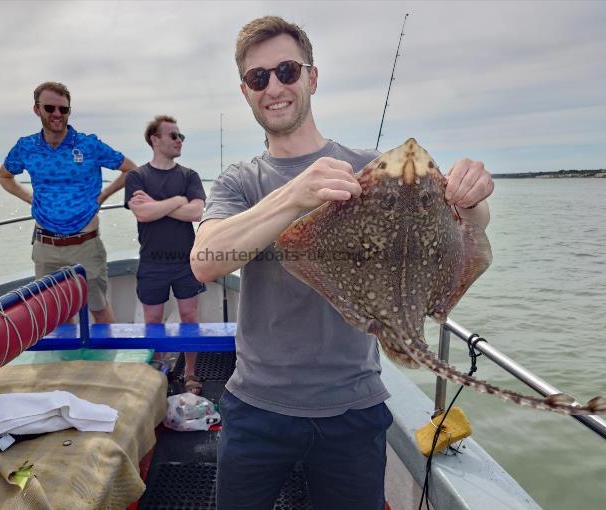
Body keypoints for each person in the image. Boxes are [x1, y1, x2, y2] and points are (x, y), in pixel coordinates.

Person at [190, 16, 494, 510]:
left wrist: (473, 198)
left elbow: (469, 223)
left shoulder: (370, 168)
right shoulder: (238, 181)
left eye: (287, 70)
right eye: (258, 77)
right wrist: (295, 194)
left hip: (354, 408)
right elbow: (206, 262)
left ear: (311, 77)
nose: (274, 86)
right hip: (256, 407)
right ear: (245, 91)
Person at [0, 82, 138, 323]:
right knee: (56, 314)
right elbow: (4, 175)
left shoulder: (88, 145)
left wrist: (103, 196)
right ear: (36, 109)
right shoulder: (26, 147)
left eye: (63, 109)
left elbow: (130, 170)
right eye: (50, 108)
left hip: (86, 244)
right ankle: (66, 362)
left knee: (98, 308)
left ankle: (114, 361)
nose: (56, 114)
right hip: (46, 246)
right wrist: (28, 197)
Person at [125, 115, 206, 394]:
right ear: (155, 139)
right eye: (173, 135)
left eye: (181, 136)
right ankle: (159, 371)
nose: (179, 140)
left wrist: (157, 205)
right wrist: (176, 201)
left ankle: (191, 374)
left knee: (190, 319)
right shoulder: (137, 176)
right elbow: (142, 213)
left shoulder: (189, 176)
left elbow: (197, 212)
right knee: (153, 322)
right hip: (152, 262)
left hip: (186, 260)